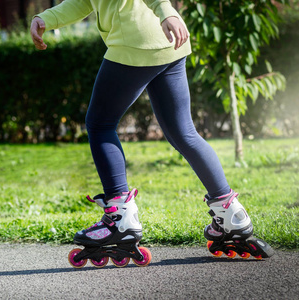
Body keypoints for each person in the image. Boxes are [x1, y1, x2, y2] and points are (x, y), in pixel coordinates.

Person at [30, 0, 274, 267]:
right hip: (166, 43)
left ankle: (120, 219)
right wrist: (47, 18)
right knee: (184, 132)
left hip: (134, 43)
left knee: (100, 125)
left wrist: (166, 11)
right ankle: (231, 217)